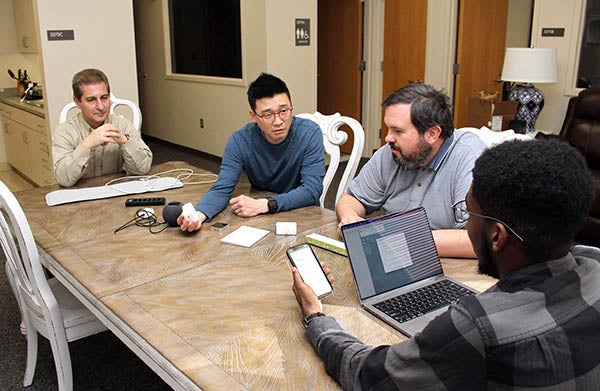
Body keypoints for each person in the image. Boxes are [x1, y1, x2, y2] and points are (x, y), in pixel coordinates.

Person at [292, 139, 600, 390]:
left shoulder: (477, 326)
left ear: (496, 237)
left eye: (468, 213)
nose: (467, 225)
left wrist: (316, 319)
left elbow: (368, 375)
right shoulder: (594, 263)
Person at [336, 83, 486, 258]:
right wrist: (349, 217)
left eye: (398, 131)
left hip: (452, 268)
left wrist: (401, 239)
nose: (388, 137)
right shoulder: (393, 151)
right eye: (388, 128)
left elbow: (480, 240)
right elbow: (352, 197)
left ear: (432, 134)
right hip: (395, 258)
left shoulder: (470, 160)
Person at [178, 73, 325, 231]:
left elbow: (311, 190)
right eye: (268, 115)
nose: (278, 121)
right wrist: (199, 215)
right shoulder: (240, 141)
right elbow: (222, 187)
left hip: (303, 214)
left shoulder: (309, 133)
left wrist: (266, 204)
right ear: (253, 116)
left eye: (284, 111)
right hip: (261, 218)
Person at [52, 68, 153, 187]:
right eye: (91, 100)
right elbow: (63, 179)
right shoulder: (64, 132)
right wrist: (86, 145)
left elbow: (143, 169)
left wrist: (125, 142)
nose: (100, 106)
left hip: (117, 195)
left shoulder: (123, 125)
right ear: (77, 102)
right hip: (80, 198)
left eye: (104, 98)